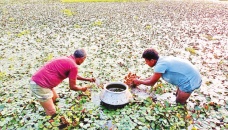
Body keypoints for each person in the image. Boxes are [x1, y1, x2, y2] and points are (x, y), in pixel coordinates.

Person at [30, 49, 95, 115]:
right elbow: (72, 87)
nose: (84, 61)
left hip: (42, 82)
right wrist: (82, 89)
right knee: (52, 112)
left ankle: (51, 110)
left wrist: (87, 79)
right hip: (40, 85)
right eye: (84, 59)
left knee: (56, 99)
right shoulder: (73, 66)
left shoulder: (68, 59)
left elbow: (73, 75)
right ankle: (50, 121)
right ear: (82, 58)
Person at [133, 48, 202, 105]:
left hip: (190, 81)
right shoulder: (161, 60)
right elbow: (153, 77)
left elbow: (151, 83)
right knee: (177, 95)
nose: (146, 63)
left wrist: (139, 81)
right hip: (187, 78)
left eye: (146, 61)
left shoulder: (160, 65)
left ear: (152, 60)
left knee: (179, 103)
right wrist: (141, 80)